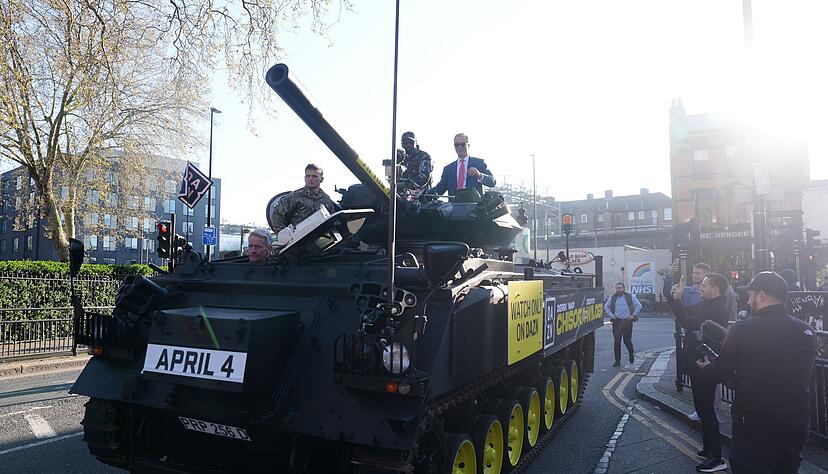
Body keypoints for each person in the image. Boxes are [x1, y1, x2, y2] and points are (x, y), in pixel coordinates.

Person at [697, 271, 818, 474]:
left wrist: (707, 367)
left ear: (761, 295)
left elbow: (720, 373)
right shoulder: (806, 331)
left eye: (750, 295)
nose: (747, 300)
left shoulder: (742, 329)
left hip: (756, 425)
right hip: (796, 425)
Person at [671, 273, 731, 473]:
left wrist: (678, 300)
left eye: (704, 285)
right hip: (698, 363)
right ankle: (708, 448)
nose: (700, 288)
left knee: (707, 410)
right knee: (702, 408)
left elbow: (688, 323)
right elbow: (683, 313)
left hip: (706, 365)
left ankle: (717, 457)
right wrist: (675, 298)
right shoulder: (708, 305)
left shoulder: (717, 309)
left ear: (715, 288)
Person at [271, 164, 339, 233]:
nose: (310, 179)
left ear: (321, 179)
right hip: (299, 240)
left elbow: (332, 221)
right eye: (308, 176)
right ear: (304, 178)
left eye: (314, 176)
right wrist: (286, 237)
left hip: (322, 240)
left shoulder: (326, 199)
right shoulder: (294, 197)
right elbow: (277, 217)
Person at [429, 133, 496, 198]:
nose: (460, 147)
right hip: (454, 207)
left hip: (475, 207)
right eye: (457, 145)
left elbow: (492, 182)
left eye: (463, 144)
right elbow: (440, 189)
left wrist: (479, 175)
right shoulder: (448, 169)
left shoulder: (479, 163)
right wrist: (422, 192)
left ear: (468, 145)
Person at [604, 283, 642, 367]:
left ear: (623, 288)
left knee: (627, 341)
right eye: (617, 288)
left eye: (620, 288)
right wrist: (611, 315)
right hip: (617, 322)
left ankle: (631, 354)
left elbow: (639, 305)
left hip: (627, 322)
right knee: (617, 342)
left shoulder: (629, 296)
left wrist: (633, 315)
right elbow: (606, 306)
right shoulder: (613, 297)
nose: (618, 289)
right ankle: (617, 362)